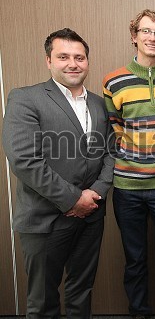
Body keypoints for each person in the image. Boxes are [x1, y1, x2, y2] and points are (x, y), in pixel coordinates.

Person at [2, 28, 114, 318]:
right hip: (45, 219)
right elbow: (25, 161)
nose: (73, 63)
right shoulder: (26, 98)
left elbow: (110, 152)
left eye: (79, 57)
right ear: (48, 61)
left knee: (82, 293)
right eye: (63, 56)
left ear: (87, 61)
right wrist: (74, 199)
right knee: (42, 302)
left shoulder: (99, 104)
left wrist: (97, 193)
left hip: (91, 216)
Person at [102, 9, 155, 319]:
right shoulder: (114, 80)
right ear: (134, 36)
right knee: (135, 260)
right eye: (147, 31)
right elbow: (115, 128)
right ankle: (139, 313)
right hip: (128, 186)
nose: (152, 38)